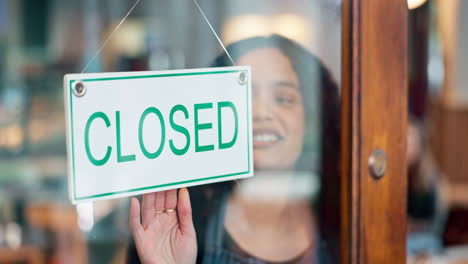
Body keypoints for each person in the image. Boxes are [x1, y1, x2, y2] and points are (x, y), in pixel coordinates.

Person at [126, 34, 340, 264]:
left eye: (283, 98)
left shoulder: (343, 214)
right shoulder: (177, 222)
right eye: (243, 95)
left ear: (310, 118)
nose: (261, 113)